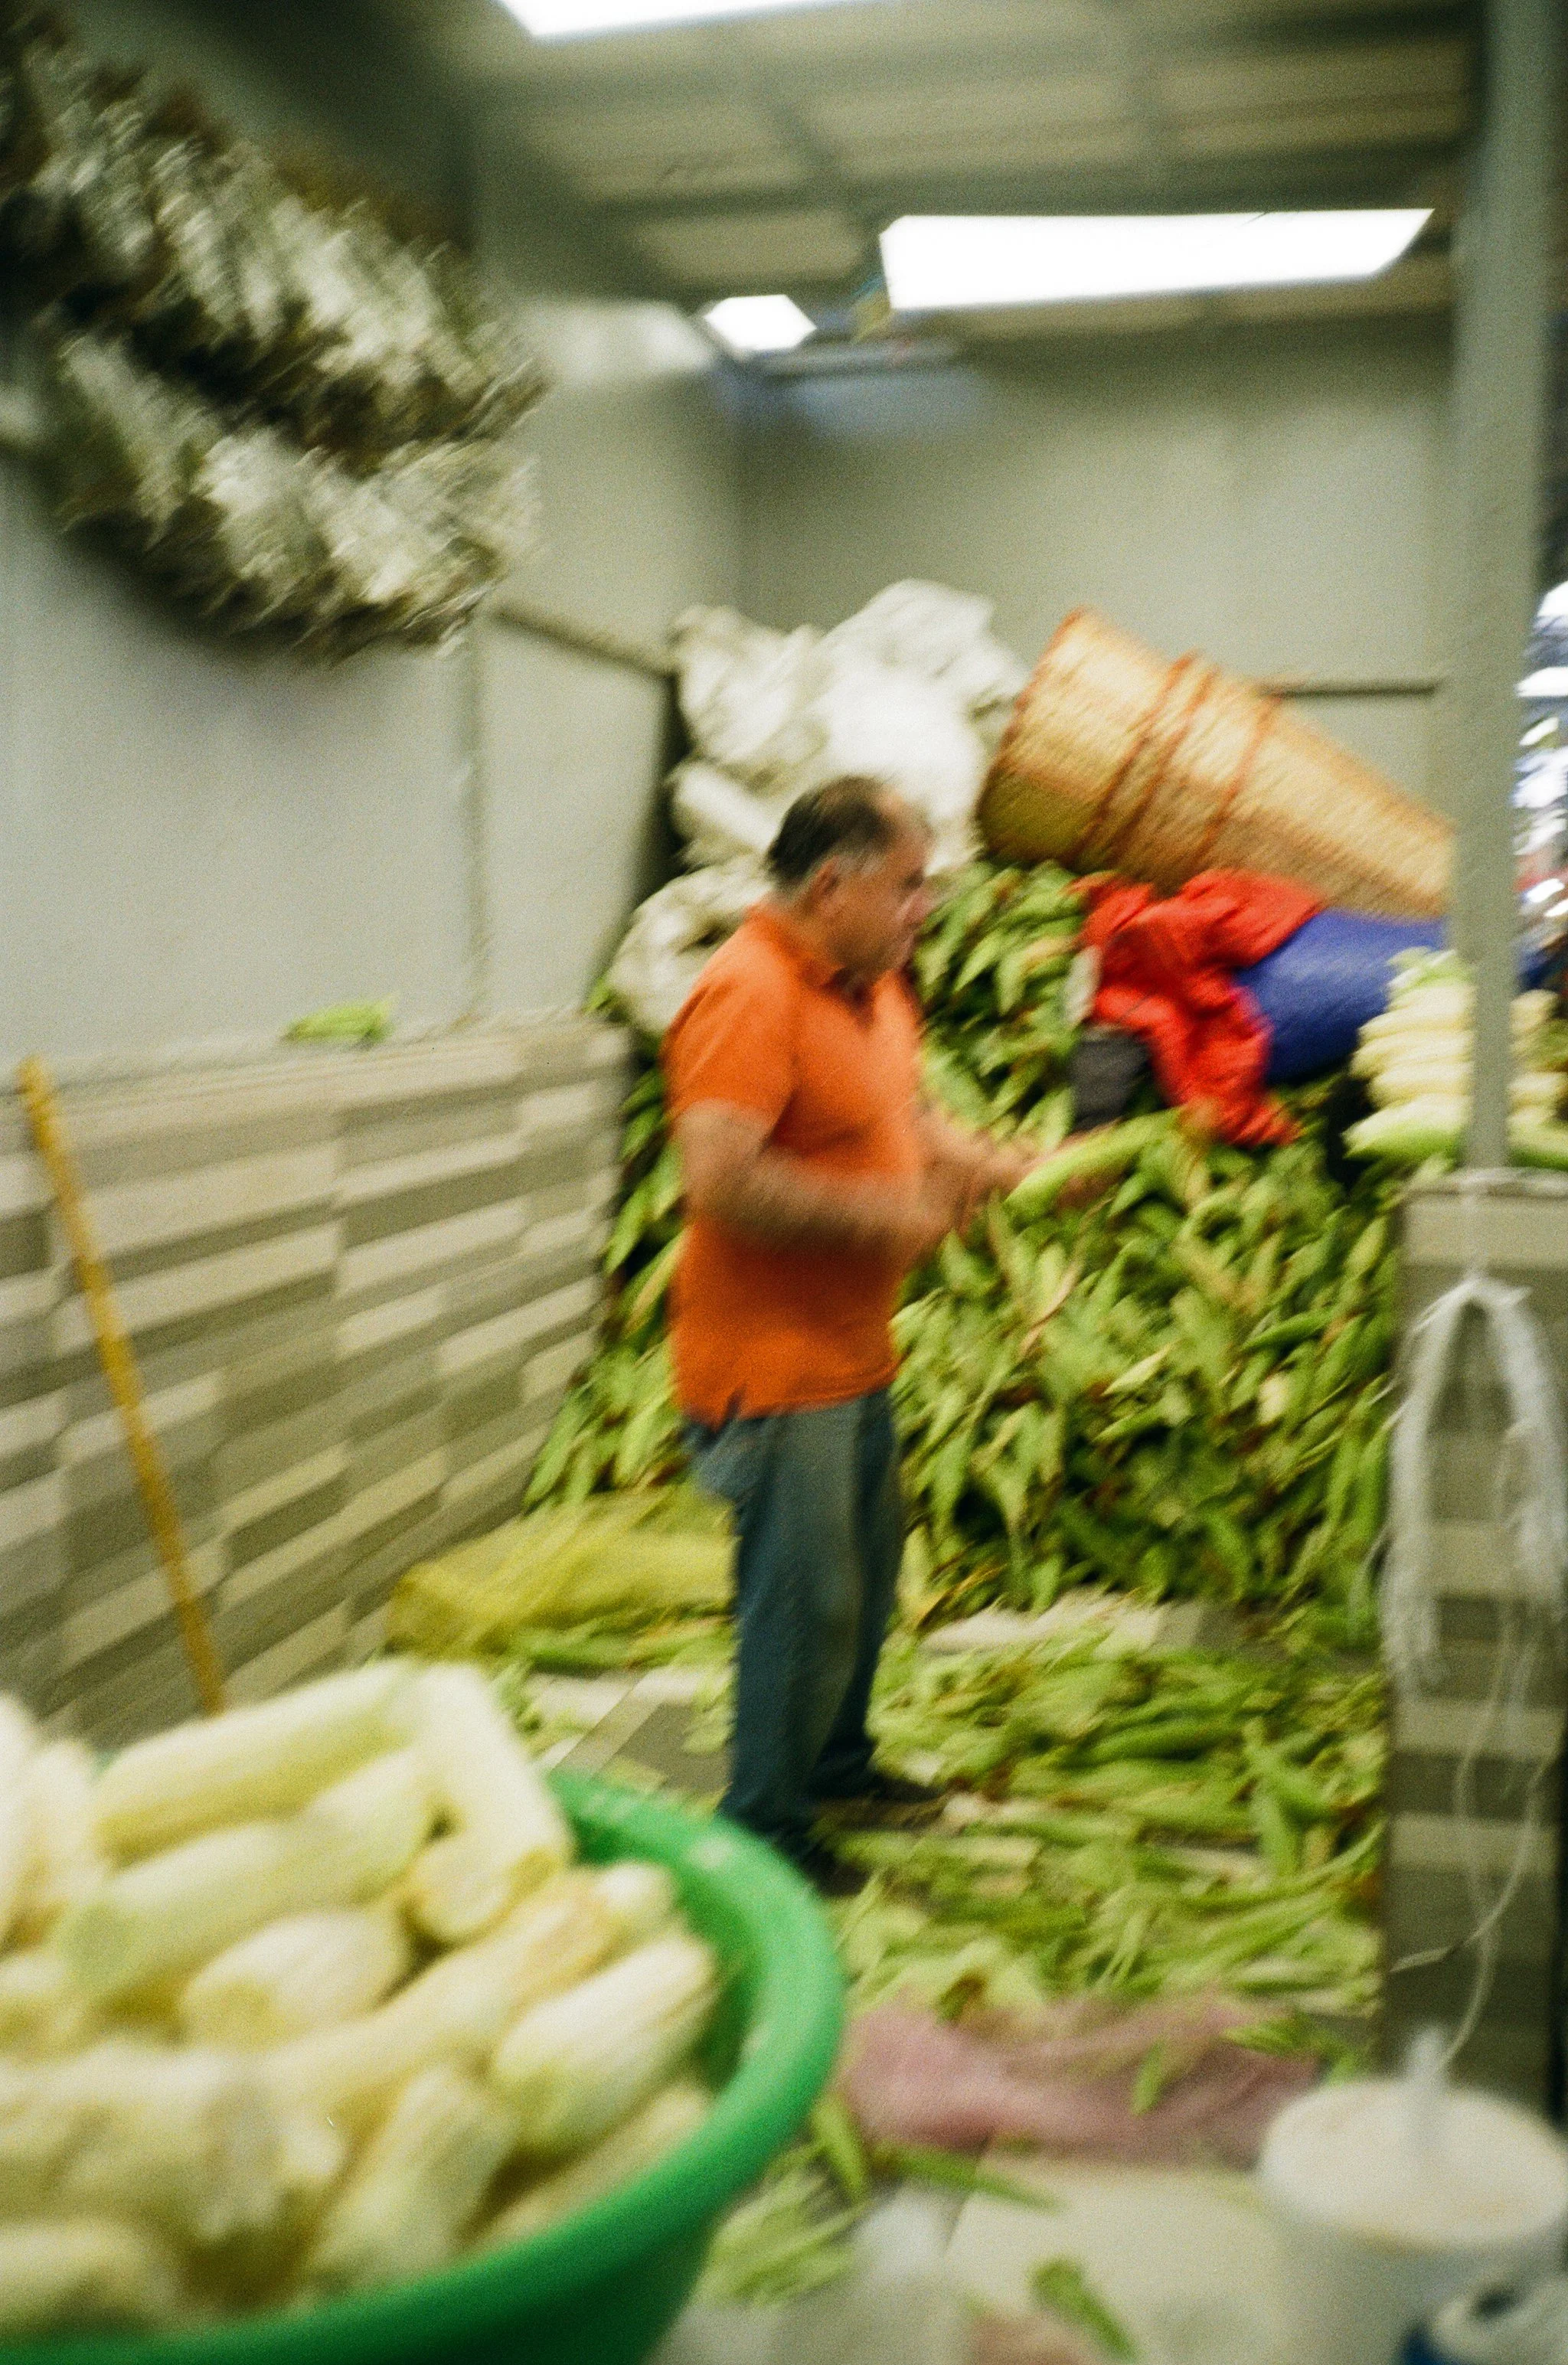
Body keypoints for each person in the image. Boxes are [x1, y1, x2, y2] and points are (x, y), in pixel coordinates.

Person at [662, 776, 1036, 1892]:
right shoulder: (748, 991)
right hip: (772, 1371)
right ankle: (763, 1827)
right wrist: (888, 1215)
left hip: (852, 1357)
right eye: (909, 884)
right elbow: (718, 1178)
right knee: (799, 1603)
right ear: (833, 886)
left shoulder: (870, 990)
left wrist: (1003, 1166)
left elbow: (905, 1121)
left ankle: (837, 1766)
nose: (927, 905)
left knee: (862, 1587)